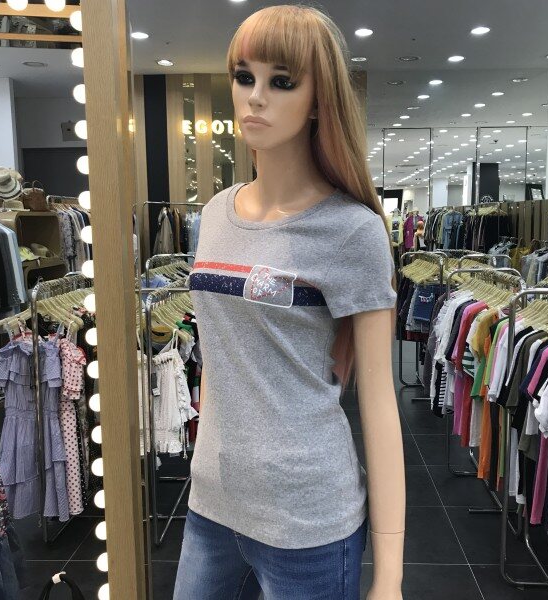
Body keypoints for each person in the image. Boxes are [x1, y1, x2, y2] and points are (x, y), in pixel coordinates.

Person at [174, 6, 405, 600]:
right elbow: (222, 356)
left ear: (319, 100)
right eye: (243, 76)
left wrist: (391, 575)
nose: (255, 97)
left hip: (308, 521)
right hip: (211, 505)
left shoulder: (352, 231)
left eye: (281, 81)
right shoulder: (214, 215)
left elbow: (380, 404)